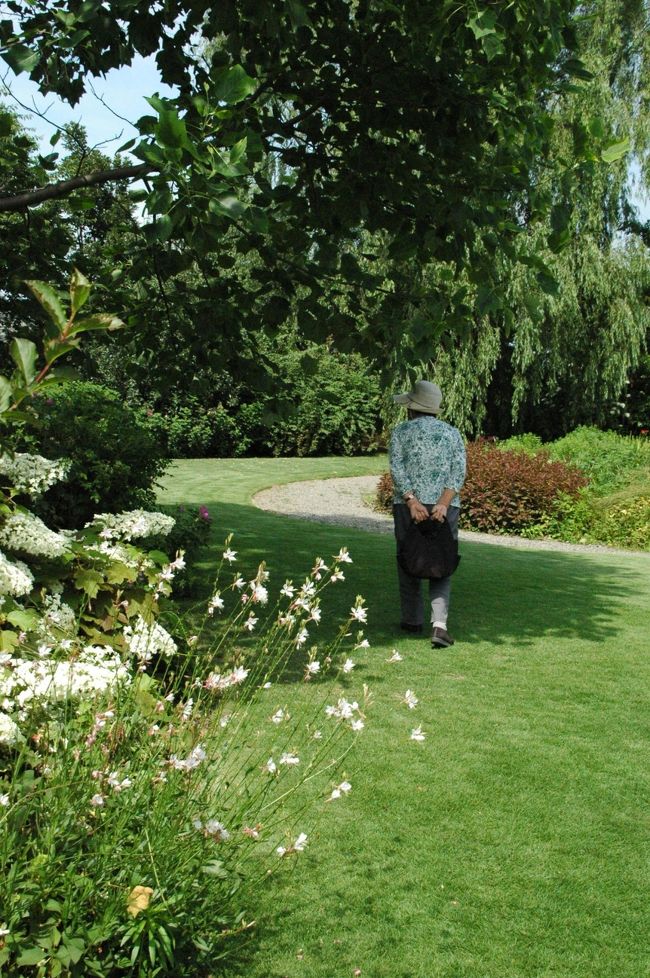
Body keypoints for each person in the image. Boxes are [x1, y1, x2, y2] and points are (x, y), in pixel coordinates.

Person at [389, 379, 466, 648]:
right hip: (446, 508)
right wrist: (443, 504)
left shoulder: (400, 432)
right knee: (441, 562)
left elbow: (397, 469)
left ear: (412, 408)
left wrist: (411, 501)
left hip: (407, 506)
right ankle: (439, 626)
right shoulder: (452, 434)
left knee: (408, 557)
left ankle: (411, 620)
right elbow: (458, 473)